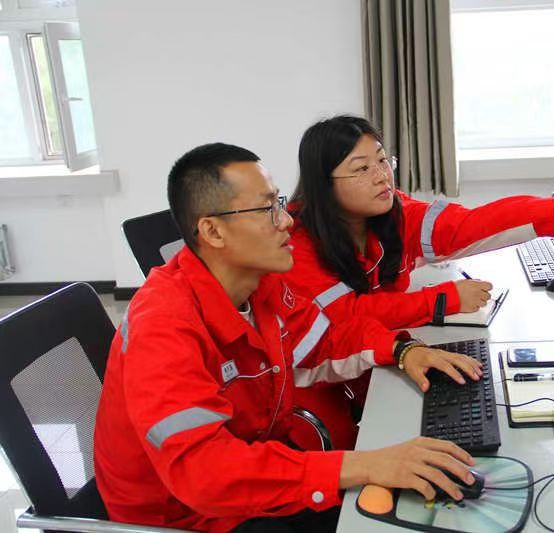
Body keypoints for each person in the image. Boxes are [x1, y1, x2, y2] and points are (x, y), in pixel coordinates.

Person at [94, 143, 485, 533]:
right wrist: (365, 464)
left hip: (254, 472)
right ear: (212, 231)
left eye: (278, 203)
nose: (286, 222)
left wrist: (403, 350)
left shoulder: (259, 285)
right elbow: (205, 473)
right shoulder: (163, 325)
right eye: (267, 209)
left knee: (411, 507)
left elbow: (324, 339)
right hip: (190, 517)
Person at [285, 115, 554, 447]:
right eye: (361, 168)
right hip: (319, 391)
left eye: (383, 160)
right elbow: (345, 319)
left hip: (375, 367)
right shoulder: (296, 246)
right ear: (324, 184)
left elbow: (471, 224)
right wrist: (442, 299)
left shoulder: (392, 213)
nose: (381, 175)